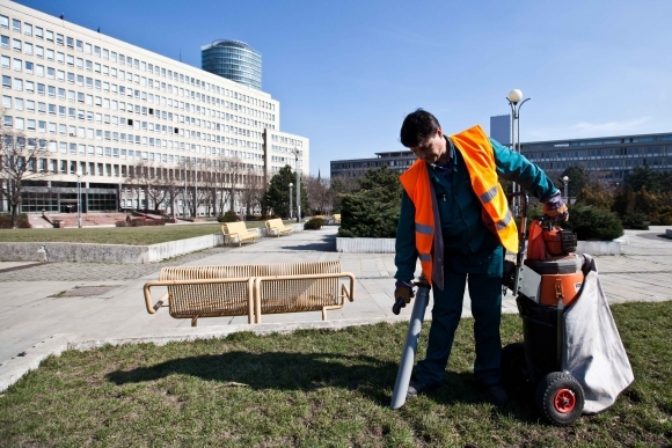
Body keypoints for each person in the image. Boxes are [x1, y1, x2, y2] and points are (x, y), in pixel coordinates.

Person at [394, 109, 567, 406]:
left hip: (487, 250)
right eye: (415, 151)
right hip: (447, 258)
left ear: (439, 132)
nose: (422, 156)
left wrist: (550, 195)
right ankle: (430, 375)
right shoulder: (415, 179)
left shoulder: (477, 145)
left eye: (425, 147)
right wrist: (402, 276)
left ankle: (488, 377)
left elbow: (521, 168)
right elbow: (406, 233)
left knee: (487, 317)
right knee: (444, 318)